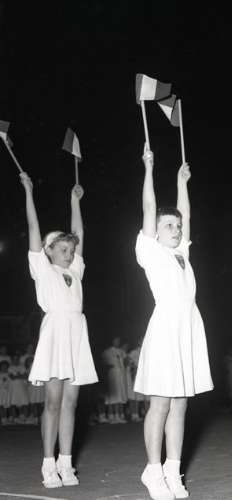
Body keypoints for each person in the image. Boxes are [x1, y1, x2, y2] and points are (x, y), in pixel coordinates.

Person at [134, 147, 213, 499]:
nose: (176, 229)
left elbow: (187, 214)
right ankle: (153, 472)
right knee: (162, 403)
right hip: (166, 327)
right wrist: (149, 168)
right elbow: (149, 207)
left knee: (181, 403)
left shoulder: (182, 252)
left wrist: (183, 183)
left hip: (188, 328)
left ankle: (172, 470)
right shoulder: (150, 251)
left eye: (177, 227)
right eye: (169, 225)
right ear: (155, 231)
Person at [20, 172, 97, 488]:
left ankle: (66, 463)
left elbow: (79, 233)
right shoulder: (42, 268)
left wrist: (74, 201)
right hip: (55, 332)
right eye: (62, 248)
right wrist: (28, 191)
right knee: (52, 402)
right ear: (48, 250)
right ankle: (48, 464)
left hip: (77, 334)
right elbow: (33, 228)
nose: (68, 252)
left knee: (70, 403)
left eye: (70, 249)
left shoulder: (75, 270)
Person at [102, 337, 128, 423]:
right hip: (112, 376)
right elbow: (103, 364)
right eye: (115, 340)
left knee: (120, 396)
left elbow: (126, 362)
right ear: (112, 341)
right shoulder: (107, 352)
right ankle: (111, 416)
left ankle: (118, 415)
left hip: (121, 376)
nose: (117, 342)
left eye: (118, 341)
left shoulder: (121, 352)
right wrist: (108, 367)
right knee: (112, 397)